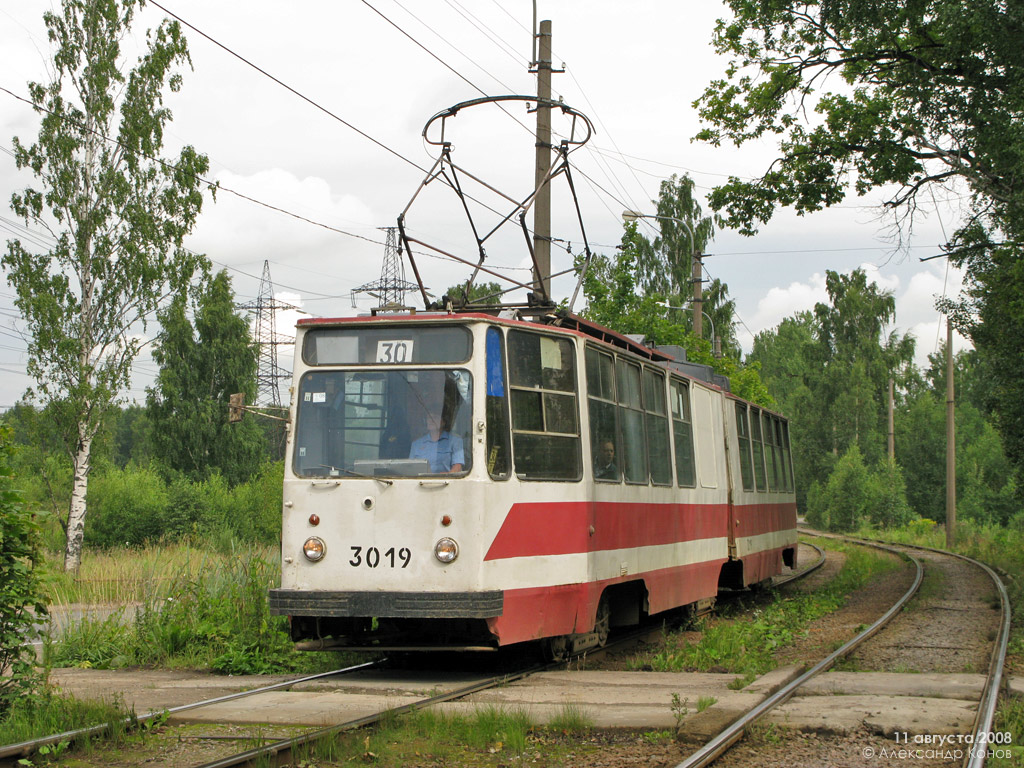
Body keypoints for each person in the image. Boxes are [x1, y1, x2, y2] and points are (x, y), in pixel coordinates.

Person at [410, 405, 465, 473]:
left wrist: (447, 475)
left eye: (435, 417)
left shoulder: (455, 441)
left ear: (444, 422)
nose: (431, 420)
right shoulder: (416, 444)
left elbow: (458, 467)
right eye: (429, 418)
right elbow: (410, 468)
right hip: (420, 482)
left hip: (446, 482)